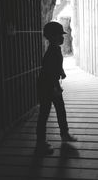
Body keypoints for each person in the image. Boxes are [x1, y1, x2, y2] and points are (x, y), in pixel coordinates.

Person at [36, 21, 77, 155]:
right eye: (59, 35)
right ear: (52, 36)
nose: (62, 37)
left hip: (51, 85)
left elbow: (57, 66)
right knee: (44, 113)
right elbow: (49, 73)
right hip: (47, 86)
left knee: (60, 109)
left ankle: (64, 133)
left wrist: (62, 72)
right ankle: (40, 143)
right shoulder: (51, 52)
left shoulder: (55, 49)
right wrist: (55, 87)